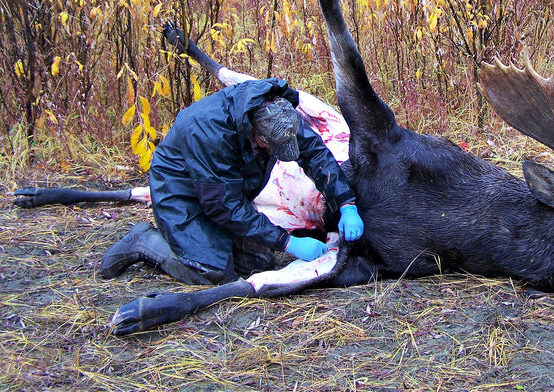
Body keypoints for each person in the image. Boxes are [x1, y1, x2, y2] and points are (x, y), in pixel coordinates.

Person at [100, 78, 364, 285]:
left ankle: (212, 244)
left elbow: (316, 155)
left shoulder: (279, 114)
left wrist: (346, 204)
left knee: (259, 263)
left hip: (220, 185)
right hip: (179, 185)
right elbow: (224, 205)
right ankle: (143, 241)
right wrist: (289, 243)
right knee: (211, 271)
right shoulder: (208, 131)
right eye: (270, 149)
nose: (275, 155)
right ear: (254, 133)